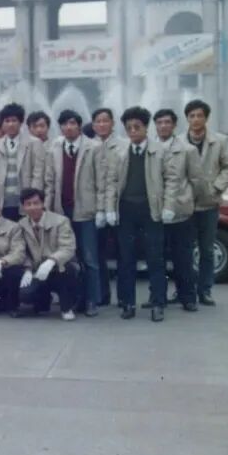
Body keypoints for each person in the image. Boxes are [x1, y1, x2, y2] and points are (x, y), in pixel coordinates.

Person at [104, 107, 179, 322]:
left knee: (155, 258)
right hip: (126, 211)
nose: (133, 131)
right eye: (129, 128)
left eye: (137, 127)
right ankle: (127, 303)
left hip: (151, 210)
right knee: (126, 259)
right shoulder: (120, 152)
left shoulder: (159, 151)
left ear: (146, 128)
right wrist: (110, 208)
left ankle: (158, 303)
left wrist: (169, 206)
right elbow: (112, 182)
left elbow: (172, 180)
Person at [43, 110, 104, 316]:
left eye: (72, 123)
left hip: (86, 210)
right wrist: (47, 208)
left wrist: (101, 209)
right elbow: (49, 181)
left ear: (79, 126)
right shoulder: (54, 148)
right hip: (61, 211)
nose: (68, 127)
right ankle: (74, 299)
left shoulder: (93, 147)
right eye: (64, 124)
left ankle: (92, 300)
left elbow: (101, 181)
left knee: (89, 258)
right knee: (68, 257)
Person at [184, 99, 228, 306]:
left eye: (200, 115)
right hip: (185, 205)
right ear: (187, 119)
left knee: (206, 250)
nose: (196, 119)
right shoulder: (178, 141)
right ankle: (184, 288)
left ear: (206, 118)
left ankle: (205, 290)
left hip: (209, 204)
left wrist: (216, 187)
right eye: (192, 116)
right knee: (183, 250)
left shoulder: (220, 141)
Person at [153, 108, 200, 312]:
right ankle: (158, 296)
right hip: (155, 213)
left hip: (180, 212)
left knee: (183, 258)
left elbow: (196, 180)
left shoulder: (188, 150)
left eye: (167, 122)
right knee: (157, 258)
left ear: (174, 125)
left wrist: (187, 200)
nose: (163, 126)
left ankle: (187, 296)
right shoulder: (149, 147)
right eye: (159, 122)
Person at [16, 188, 78, 320]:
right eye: (28, 204)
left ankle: (66, 307)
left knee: (68, 270)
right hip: (37, 269)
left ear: (43, 203)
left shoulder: (61, 221)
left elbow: (68, 248)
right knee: (25, 294)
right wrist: (27, 269)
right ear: (23, 207)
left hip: (59, 267)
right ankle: (44, 300)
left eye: (36, 203)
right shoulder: (21, 224)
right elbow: (21, 250)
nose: (32, 207)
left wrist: (51, 261)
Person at [0, 103, 43, 221]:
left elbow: (38, 174)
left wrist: (34, 200)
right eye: (7, 121)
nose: (10, 124)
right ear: (2, 123)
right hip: (2, 202)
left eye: (14, 120)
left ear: (21, 122)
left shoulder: (34, 143)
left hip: (26, 202)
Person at [91, 107, 125, 306]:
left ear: (113, 123)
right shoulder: (89, 146)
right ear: (93, 125)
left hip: (119, 209)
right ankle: (102, 294)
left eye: (106, 121)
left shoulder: (124, 146)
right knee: (98, 254)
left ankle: (123, 297)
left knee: (123, 254)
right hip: (96, 209)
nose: (102, 124)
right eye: (98, 121)